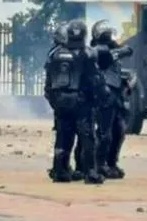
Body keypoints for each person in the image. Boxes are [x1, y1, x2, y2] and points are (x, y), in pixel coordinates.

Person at [44, 19, 105, 184]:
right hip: (82, 103)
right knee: (87, 138)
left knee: (63, 138)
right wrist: (100, 98)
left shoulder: (55, 54)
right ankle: (90, 172)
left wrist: (54, 102)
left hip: (61, 103)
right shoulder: (88, 53)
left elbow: (48, 83)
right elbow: (96, 80)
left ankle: (60, 171)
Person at [90, 19, 133, 179]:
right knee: (104, 133)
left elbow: (129, 50)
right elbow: (101, 57)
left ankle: (111, 162)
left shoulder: (113, 47)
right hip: (103, 93)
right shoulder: (94, 49)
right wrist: (116, 52)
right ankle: (99, 164)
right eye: (105, 33)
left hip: (116, 94)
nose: (107, 36)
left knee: (119, 130)